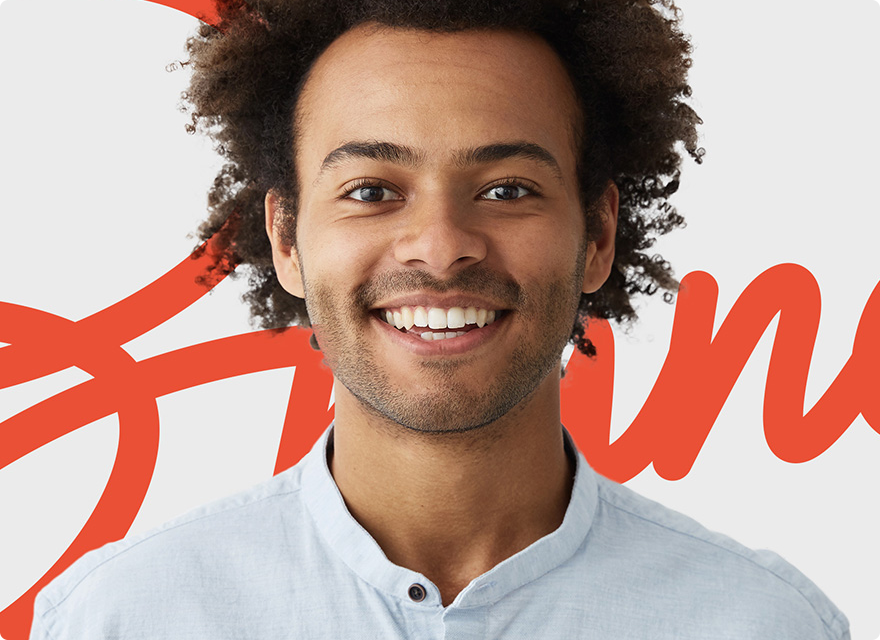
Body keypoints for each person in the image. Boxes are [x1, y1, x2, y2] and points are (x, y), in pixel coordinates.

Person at [30, 0, 850, 638]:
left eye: (507, 190)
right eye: (372, 191)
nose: (442, 247)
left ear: (597, 236)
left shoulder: (765, 623)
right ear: (287, 239)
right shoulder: (120, 618)